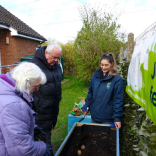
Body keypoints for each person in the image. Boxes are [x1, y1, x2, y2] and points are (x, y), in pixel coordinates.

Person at [0, 62, 54, 156]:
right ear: (25, 82)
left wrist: (32, 128)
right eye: (35, 86)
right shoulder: (13, 105)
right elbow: (22, 150)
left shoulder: (6, 90)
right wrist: (43, 148)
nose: (37, 90)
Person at [29, 43, 62, 145]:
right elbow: (26, 89)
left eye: (58, 58)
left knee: (46, 137)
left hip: (51, 110)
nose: (56, 60)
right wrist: (33, 107)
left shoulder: (56, 66)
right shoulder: (33, 66)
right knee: (41, 141)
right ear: (47, 53)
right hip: (39, 112)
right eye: (54, 57)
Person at [84, 53, 124, 129]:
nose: (103, 67)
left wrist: (117, 118)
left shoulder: (117, 79)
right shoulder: (95, 76)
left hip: (107, 119)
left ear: (112, 64)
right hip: (94, 117)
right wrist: (87, 103)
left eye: (106, 65)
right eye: (102, 65)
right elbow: (91, 92)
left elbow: (118, 100)